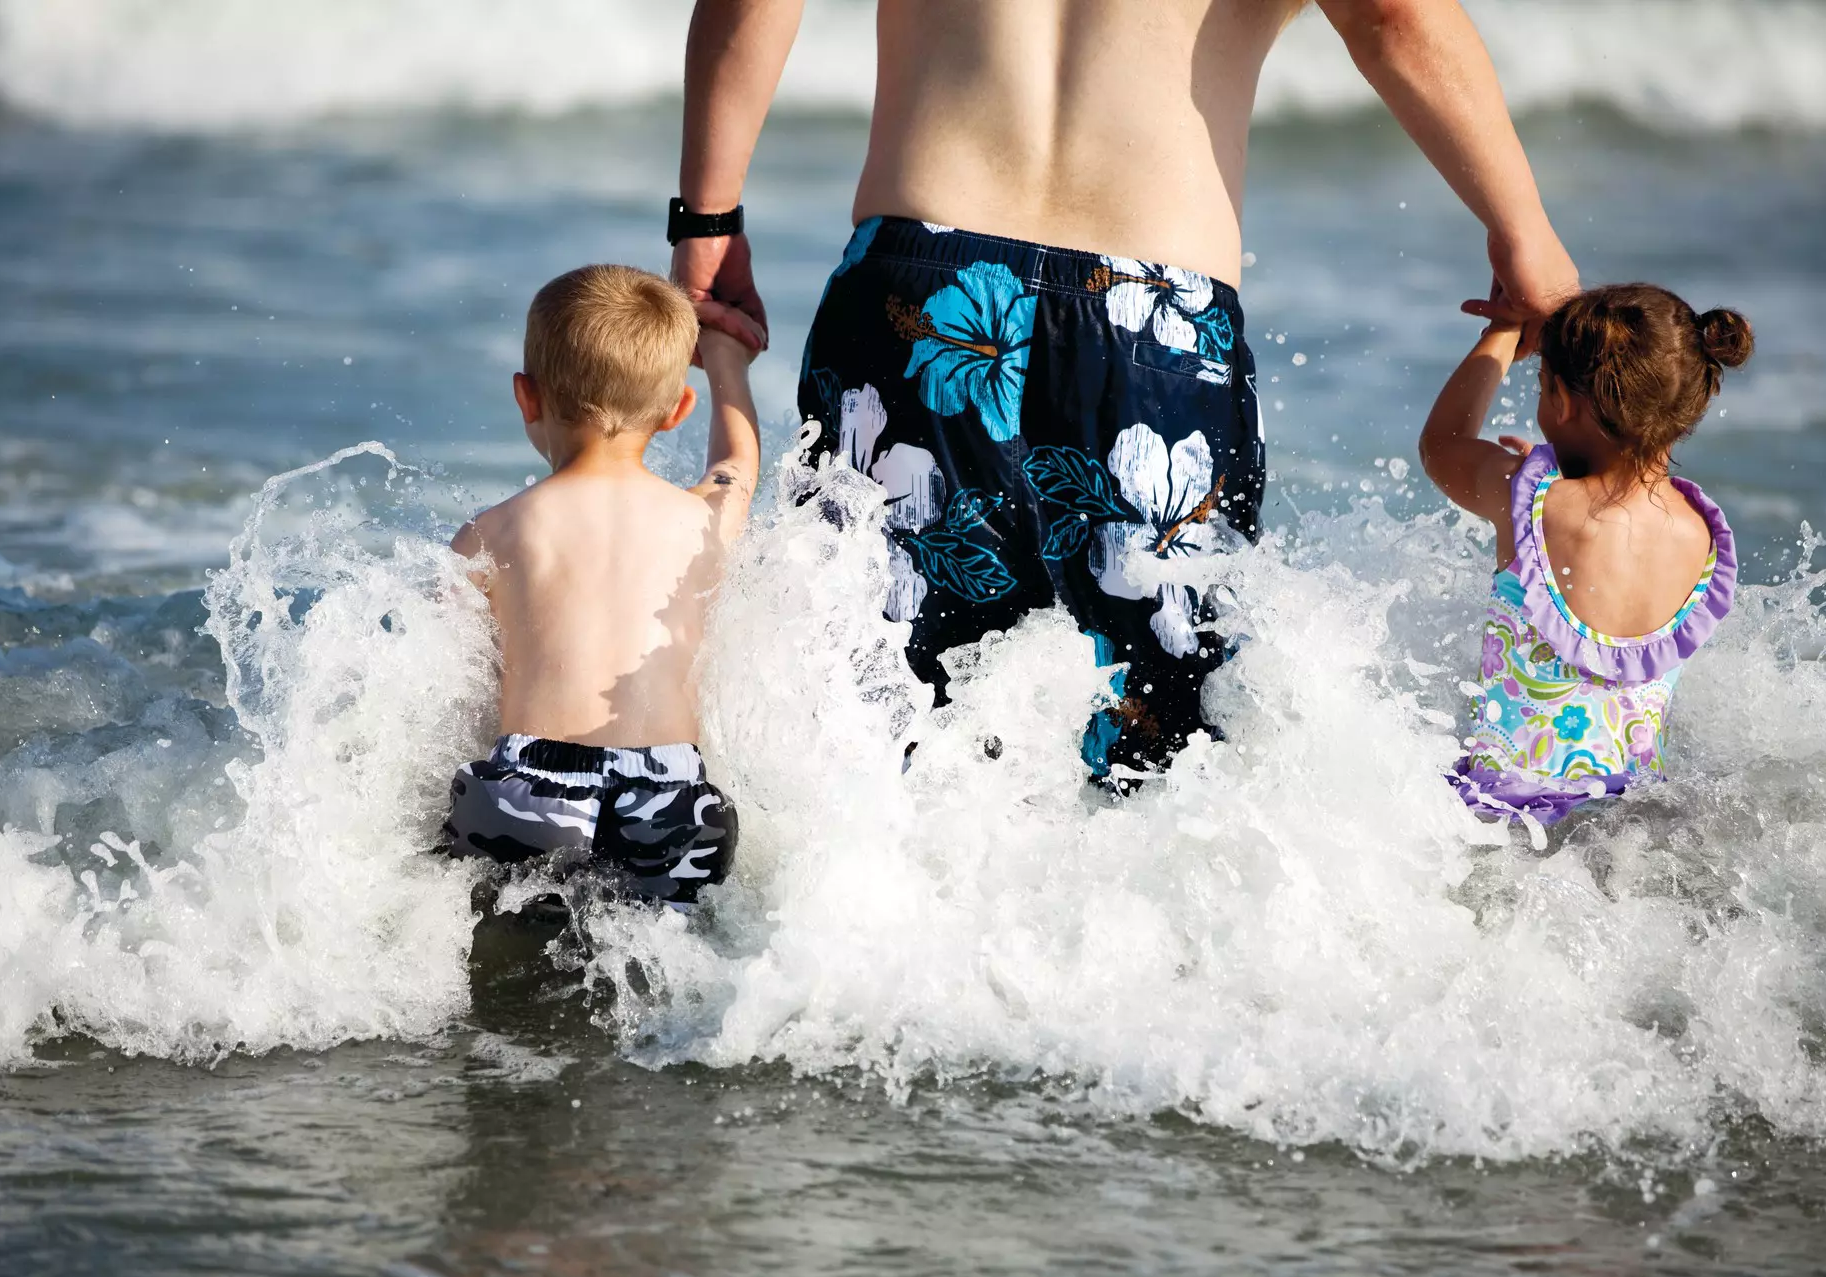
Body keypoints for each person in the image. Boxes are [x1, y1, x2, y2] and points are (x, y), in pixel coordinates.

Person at [672, 0, 1579, 782]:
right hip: (1158, 323)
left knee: (874, 712)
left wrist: (708, 218)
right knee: (1157, 753)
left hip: (920, 285)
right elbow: (1393, 17)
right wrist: (1521, 228)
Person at [442, 264, 765, 908]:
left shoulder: (489, 533)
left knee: (498, 932)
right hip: (670, 794)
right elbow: (738, 464)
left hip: (527, 784)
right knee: (666, 951)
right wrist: (728, 357)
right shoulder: (704, 519)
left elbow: (455, 680)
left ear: (525, 397)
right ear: (677, 410)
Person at [1418, 283, 1754, 826]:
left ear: (1563, 400)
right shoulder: (1702, 534)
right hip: (1632, 825)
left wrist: (1503, 330)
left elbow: (1442, 443)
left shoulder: (1525, 497)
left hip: (1502, 818)